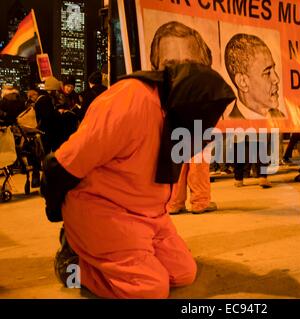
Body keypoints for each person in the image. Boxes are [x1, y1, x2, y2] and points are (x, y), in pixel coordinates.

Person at [42, 62, 235, 298]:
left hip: (151, 215)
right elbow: (63, 163)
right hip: (105, 210)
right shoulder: (130, 101)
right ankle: (73, 265)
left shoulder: (175, 112)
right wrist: (57, 209)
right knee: (150, 290)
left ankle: (109, 257)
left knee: (183, 273)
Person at [150, 21, 218, 215]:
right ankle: (200, 201)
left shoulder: (161, 91)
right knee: (198, 162)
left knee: (178, 161)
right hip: (196, 118)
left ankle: (174, 202)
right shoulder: (200, 85)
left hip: (174, 120)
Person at [224, 33, 284, 119]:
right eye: (267, 73)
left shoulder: (280, 117)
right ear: (243, 82)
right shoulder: (229, 128)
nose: (276, 79)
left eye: (273, 69)